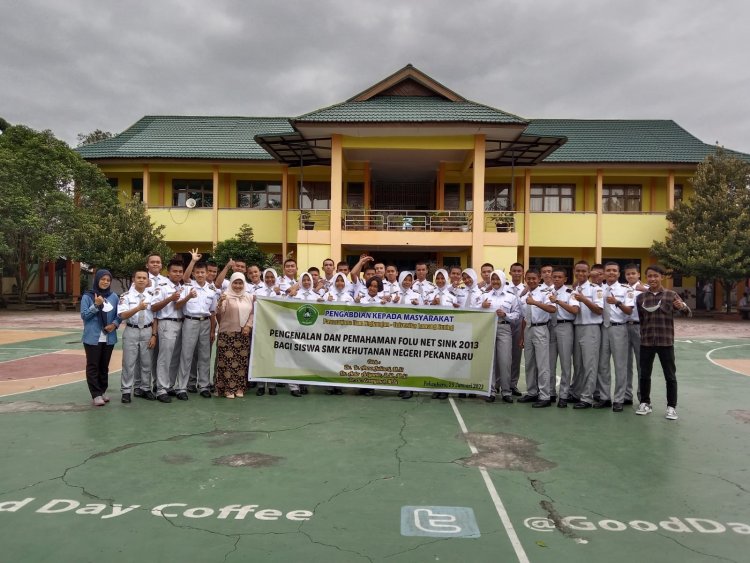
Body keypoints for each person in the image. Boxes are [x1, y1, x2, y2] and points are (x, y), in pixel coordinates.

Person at [635, 264, 689, 420]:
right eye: (650, 276)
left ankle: (671, 407)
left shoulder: (671, 295)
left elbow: (687, 313)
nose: (652, 279)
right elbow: (641, 319)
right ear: (646, 278)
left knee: (670, 376)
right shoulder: (641, 298)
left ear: (662, 277)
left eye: (655, 276)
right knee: (644, 375)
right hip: (646, 342)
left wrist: (682, 307)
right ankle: (645, 403)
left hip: (666, 342)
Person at [596, 262, 635, 412]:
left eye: (614, 271)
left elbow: (629, 311)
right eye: (608, 270)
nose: (611, 273)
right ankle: (605, 397)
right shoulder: (599, 289)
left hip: (619, 328)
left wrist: (617, 302)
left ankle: (619, 399)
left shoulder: (626, 289)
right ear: (604, 273)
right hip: (603, 329)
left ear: (619, 274)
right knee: (603, 364)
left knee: (620, 365)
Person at [176, 262, 218, 400]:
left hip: (205, 322)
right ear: (194, 274)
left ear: (207, 274)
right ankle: (182, 387)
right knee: (186, 355)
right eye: (197, 272)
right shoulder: (187, 287)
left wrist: (212, 330)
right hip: (190, 321)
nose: (200, 275)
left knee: (205, 355)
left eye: (203, 272)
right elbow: (178, 305)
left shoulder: (212, 290)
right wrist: (188, 297)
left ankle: (204, 386)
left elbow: (212, 312)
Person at [151, 259, 191, 403]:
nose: (178, 274)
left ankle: (169, 385)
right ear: (168, 272)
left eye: (180, 271)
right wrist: (170, 298)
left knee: (176, 357)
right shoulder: (162, 287)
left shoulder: (184, 287)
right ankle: (160, 389)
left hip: (182, 323)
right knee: (165, 357)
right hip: (167, 323)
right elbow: (153, 307)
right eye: (175, 271)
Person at [80, 269, 121, 406]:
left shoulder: (114, 297)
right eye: (102, 279)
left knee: (104, 366)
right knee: (93, 366)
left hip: (108, 337)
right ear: (97, 280)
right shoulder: (88, 296)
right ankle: (96, 394)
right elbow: (84, 316)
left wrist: (114, 324)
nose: (105, 282)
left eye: (108, 280)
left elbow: (119, 315)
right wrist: (96, 304)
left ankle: (102, 391)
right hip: (92, 337)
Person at [118, 268, 158, 403]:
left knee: (147, 362)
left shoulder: (152, 295)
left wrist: (154, 335)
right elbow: (122, 315)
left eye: (144, 278)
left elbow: (156, 317)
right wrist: (137, 308)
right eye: (138, 277)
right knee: (129, 363)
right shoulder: (126, 296)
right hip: (131, 330)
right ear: (133, 280)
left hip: (147, 330)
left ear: (148, 281)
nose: (141, 280)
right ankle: (126, 390)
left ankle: (145, 388)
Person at [518, 269, 556, 408]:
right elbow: (523, 317)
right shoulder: (524, 296)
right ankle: (532, 392)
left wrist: (535, 302)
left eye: (534, 278)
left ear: (539, 279)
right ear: (525, 279)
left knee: (542, 364)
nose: (531, 281)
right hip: (528, 329)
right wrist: (522, 336)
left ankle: (545, 395)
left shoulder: (545, 293)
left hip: (541, 328)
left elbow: (552, 309)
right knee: (529, 363)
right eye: (528, 278)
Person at [481, 270, 520, 403]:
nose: (495, 282)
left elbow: (517, 315)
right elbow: (475, 311)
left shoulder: (511, 297)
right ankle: (490, 391)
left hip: (504, 328)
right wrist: (482, 306)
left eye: (498, 279)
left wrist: (506, 315)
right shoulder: (485, 295)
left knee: (505, 361)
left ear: (503, 280)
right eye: (493, 279)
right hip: (489, 329)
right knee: (490, 361)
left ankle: (506, 391)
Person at [214, 272, 253, 399]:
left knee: (241, 362)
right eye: (235, 283)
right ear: (231, 283)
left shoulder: (249, 297)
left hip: (243, 333)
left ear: (244, 284)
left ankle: (240, 388)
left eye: (240, 283)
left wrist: (248, 326)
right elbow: (220, 312)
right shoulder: (226, 295)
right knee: (227, 362)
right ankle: (228, 389)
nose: (237, 285)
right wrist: (220, 303)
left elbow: (253, 313)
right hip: (227, 333)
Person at [571, 260, 604, 409]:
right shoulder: (573, 289)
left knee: (589, 364)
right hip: (577, 328)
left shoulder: (595, 289)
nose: (581, 274)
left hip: (591, 328)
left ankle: (587, 397)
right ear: (574, 271)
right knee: (578, 364)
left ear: (589, 272)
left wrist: (584, 299)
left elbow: (599, 310)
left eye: (584, 271)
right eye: (578, 271)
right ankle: (577, 393)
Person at [547, 268, 579, 408]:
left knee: (565, 362)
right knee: (550, 362)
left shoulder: (570, 293)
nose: (556, 279)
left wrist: (558, 301)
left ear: (565, 279)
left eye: (560, 277)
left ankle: (564, 395)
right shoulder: (547, 291)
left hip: (564, 326)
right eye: (554, 276)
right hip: (550, 327)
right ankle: (551, 392)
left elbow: (574, 310)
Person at [624, 264, 647, 404]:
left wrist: (644, 290)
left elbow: (659, 297)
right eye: (628, 274)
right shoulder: (623, 289)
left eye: (633, 273)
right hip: (625, 327)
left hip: (640, 327)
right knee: (625, 363)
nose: (631, 276)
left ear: (638, 274)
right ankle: (627, 395)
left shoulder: (646, 289)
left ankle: (642, 396)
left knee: (641, 363)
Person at [507, 262, 525, 396]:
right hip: (505, 322)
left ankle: (513, 384)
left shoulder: (527, 289)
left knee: (516, 355)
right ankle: (498, 383)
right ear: (510, 273)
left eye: (519, 271)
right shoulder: (504, 287)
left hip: (520, 323)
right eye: (514, 271)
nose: (517, 273)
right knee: (501, 355)